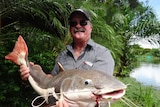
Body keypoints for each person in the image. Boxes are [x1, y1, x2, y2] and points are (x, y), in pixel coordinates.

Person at [20, 8, 115, 107]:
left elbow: (101, 92)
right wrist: (30, 73)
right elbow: (53, 80)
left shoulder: (103, 54)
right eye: (73, 23)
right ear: (70, 29)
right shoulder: (63, 55)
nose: (78, 26)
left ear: (91, 27)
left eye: (83, 22)